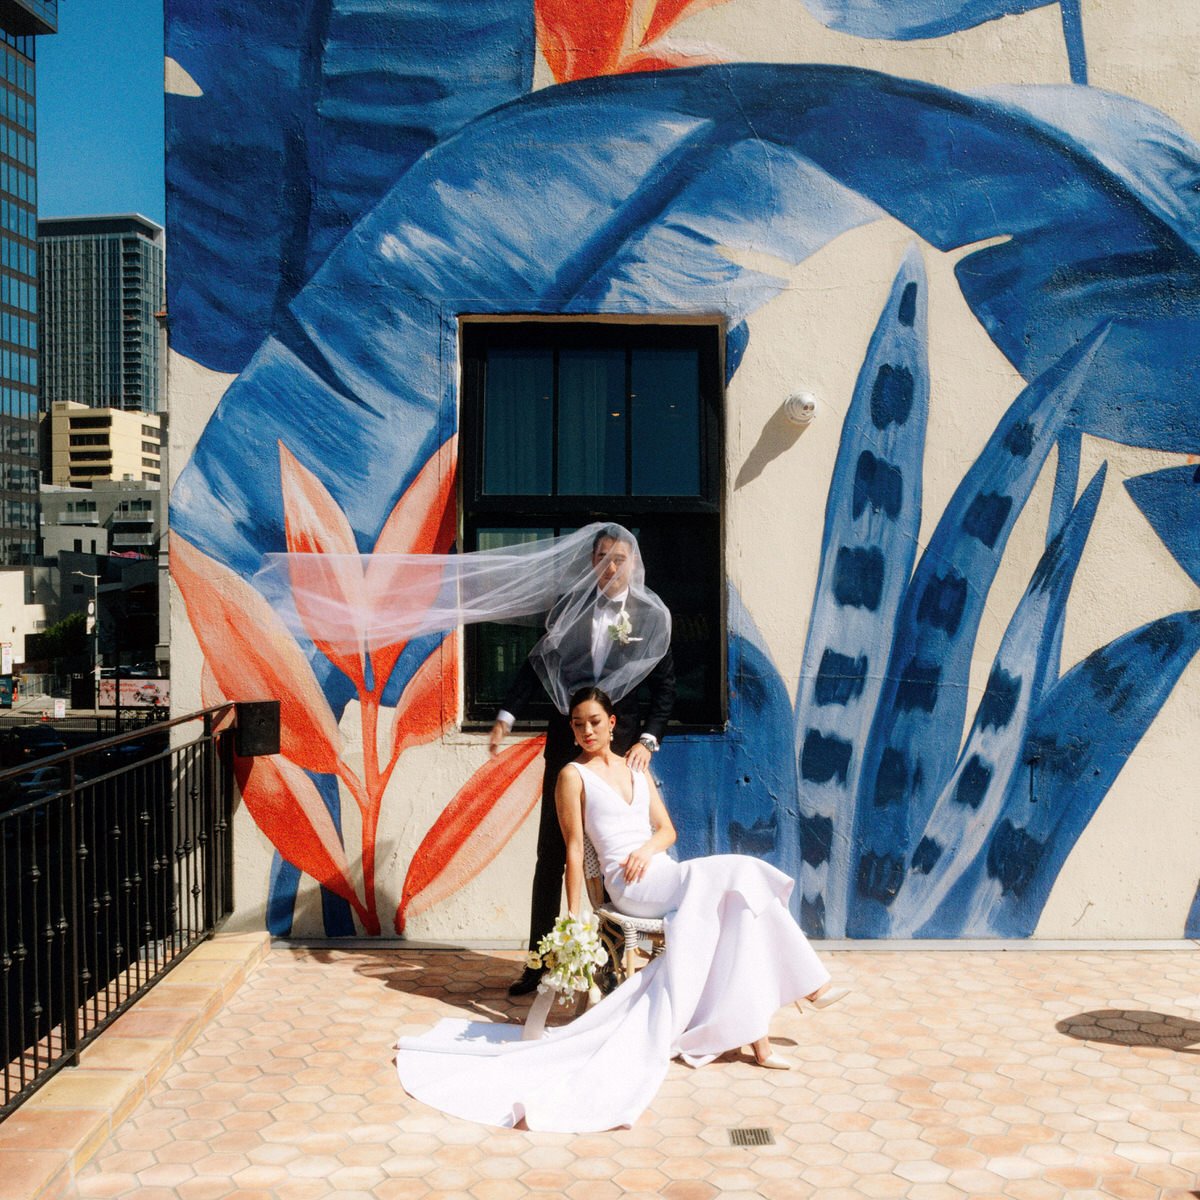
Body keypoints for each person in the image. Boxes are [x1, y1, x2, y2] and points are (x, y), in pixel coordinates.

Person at [394, 687, 849, 1132]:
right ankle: (810, 987)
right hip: (629, 887)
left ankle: (762, 1041)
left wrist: (647, 849)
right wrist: (574, 919)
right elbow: (574, 850)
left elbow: (666, 830)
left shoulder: (636, 767)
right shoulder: (572, 776)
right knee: (741, 873)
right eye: (578, 724)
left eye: (594, 722)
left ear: (612, 724)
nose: (586, 731)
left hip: (661, 870)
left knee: (740, 907)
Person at [490, 527, 675, 996]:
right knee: (551, 855)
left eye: (619, 558)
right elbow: (537, 667)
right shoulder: (567, 609)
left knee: (625, 851)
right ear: (591, 561)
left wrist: (648, 741)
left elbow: (665, 689)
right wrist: (507, 716)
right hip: (566, 750)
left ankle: (623, 961)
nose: (610, 567)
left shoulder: (650, 618)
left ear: (633, 562)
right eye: (602, 557)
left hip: (622, 758)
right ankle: (539, 961)